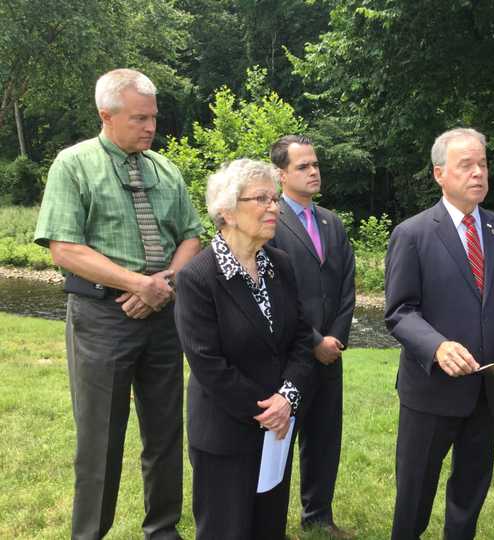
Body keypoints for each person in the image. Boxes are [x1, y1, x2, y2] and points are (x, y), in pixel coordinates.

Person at [34, 68, 202, 539]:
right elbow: (64, 247)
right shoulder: (74, 164)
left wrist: (160, 285)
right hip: (102, 317)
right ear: (106, 115)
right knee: (100, 438)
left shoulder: (166, 169)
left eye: (153, 118)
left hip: (163, 314)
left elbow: (191, 236)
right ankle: (89, 534)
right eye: (139, 118)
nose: (150, 127)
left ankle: (163, 531)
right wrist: (137, 283)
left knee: (166, 432)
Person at [384, 127, 494, 540]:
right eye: (466, 165)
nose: (478, 173)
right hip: (431, 390)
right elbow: (399, 312)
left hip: (486, 389)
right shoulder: (412, 234)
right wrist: (437, 346)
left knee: (470, 493)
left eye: (483, 164)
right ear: (439, 174)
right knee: (414, 495)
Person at [174, 159, 316, 540]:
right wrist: (268, 409)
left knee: (268, 528)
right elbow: (209, 365)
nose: (275, 207)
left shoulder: (280, 265)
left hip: (277, 431)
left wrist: (287, 398)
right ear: (227, 212)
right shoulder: (197, 278)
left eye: (275, 199)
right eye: (262, 199)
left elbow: (302, 339)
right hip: (225, 435)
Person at [267, 135, 356, 539]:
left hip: (330, 355)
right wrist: (314, 340)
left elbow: (346, 287)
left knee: (324, 440)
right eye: (303, 166)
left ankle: (318, 515)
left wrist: (335, 338)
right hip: (289, 354)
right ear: (281, 174)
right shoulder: (271, 223)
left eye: (315, 164)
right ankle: (269, 519)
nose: (314, 171)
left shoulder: (332, 223)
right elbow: (277, 291)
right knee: (280, 441)